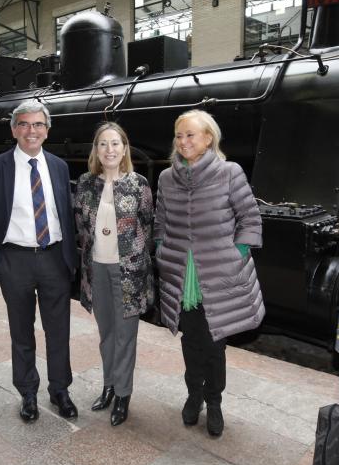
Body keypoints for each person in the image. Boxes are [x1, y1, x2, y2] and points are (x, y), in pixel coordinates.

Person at [154, 110, 265, 437]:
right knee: (191, 342)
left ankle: (214, 401)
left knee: (215, 345)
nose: (183, 141)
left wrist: (236, 255)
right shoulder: (165, 177)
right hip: (181, 276)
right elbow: (160, 221)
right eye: (179, 135)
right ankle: (193, 395)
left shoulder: (229, 173)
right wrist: (160, 246)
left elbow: (250, 220)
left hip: (217, 276)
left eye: (190, 134)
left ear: (208, 138)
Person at [0, 100, 78, 423]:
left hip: (53, 260)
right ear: (14, 130)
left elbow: (66, 215)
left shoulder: (59, 167)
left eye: (38, 125)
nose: (31, 131)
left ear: (47, 130)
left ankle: (60, 390)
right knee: (22, 333)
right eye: (24, 124)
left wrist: (70, 260)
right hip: (14, 262)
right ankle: (28, 393)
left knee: (58, 331)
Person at [73, 122, 153, 426]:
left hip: (129, 273)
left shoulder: (139, 184)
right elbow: (81, 227)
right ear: (97, 150)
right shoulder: (85, 183)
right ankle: (108, 385)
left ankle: (123, 394)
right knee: (106, 334)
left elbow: (146, 228)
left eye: (116, 143)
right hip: (96, 269)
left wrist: (134, 262)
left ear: (124, 149)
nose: (110, 150)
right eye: (103, 144)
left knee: (126, 336)